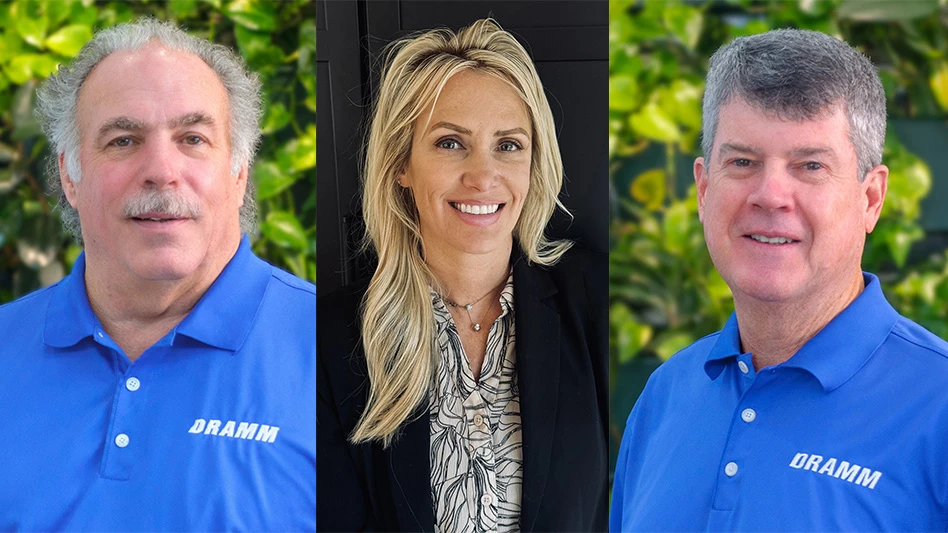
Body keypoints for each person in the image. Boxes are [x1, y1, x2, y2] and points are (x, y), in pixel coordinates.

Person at [611, 28, 948, 531]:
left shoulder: (938, 406)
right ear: (703, 189)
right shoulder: (665, 397)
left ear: (871, 199)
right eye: (743, 162)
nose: (770, 195)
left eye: (810, 165)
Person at [0, 19, 315, 530]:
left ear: (239, 172)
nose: (162, 170)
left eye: (193, 138)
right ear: (69, 175)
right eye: (123, 141)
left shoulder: (342, 353)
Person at [317, 19, 607, 531]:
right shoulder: (330, 337)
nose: (482, 175)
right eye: (450, 143)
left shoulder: (595, 303)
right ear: (401, 165)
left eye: (509, 144)